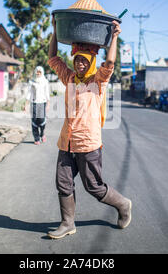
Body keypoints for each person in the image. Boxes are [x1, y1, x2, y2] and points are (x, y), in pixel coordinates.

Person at [46, 16, 132, 239]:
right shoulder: (70, 79)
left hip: (88, 144)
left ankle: (123, 204)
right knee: (63, 183)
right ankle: (67, 223)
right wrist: (55, 29)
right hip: (67, 142)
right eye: (77, 61)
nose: (80, 64)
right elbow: (53, 58)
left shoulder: (98, 82)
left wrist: (114, 37)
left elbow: (110, 64)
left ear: (91, 62)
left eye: (84, 61)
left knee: (94, 187)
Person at [25, 66, 50, 145]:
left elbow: (47, 93)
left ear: (42, 73)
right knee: (34, 121)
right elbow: (29, 93)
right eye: (37, 72)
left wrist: (48, 104)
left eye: (39, 72)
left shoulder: (45, 81)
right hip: (34, 103)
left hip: (42, 103)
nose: (38, 73)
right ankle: (36, 138)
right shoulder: (31, 81)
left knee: (41, 120)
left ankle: (42, 133)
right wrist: (26, 104)